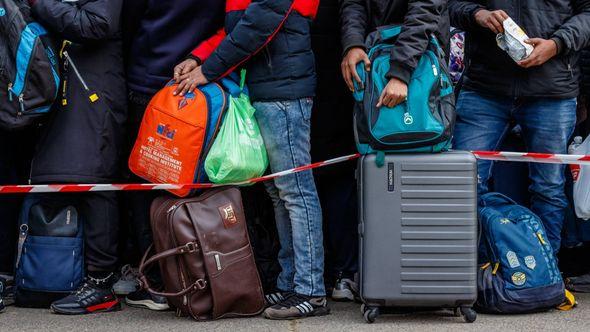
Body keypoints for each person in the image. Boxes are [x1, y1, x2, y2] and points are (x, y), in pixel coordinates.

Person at [174, 0, 328, 320]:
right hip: (268, 90)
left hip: (283, 93)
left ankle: (311, 291)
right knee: (280, 193)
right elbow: (237, 29)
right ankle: (291, 284)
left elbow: (256, 27)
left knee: (295, 192)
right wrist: (196, 57)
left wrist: (207, 69)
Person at [449, 0, 590, 253]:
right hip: (484, 86)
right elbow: (449, 5)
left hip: (552, 90)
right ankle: (475, 272)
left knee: (549, 189)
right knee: (464, 183)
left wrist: (557, 44)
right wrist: (477, 14)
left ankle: (543, 278)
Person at [121, 0, 225, 310]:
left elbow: (127, 24)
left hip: (149, 80)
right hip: (202, 85)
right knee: (194, 181)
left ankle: (153, 278)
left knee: (146, 181)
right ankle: (194, 273)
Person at [27, 0, 126, 314]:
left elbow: (99, 24)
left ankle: (101, 282)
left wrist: (39, 3)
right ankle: (52, 275)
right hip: (66, 87)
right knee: (61, 179)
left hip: (97, 89)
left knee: (94, 181)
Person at [311, 0, 359, 301]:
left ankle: (340, 271)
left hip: (338, 79)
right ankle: (335, 271)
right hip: (316, 78)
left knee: (335, 180)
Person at [340, 0, 449, 109]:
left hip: (418, 60)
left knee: (423, 120)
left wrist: (400, 73)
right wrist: (353, 43)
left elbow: (423, 14)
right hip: (373, 58)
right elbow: (353, 3)